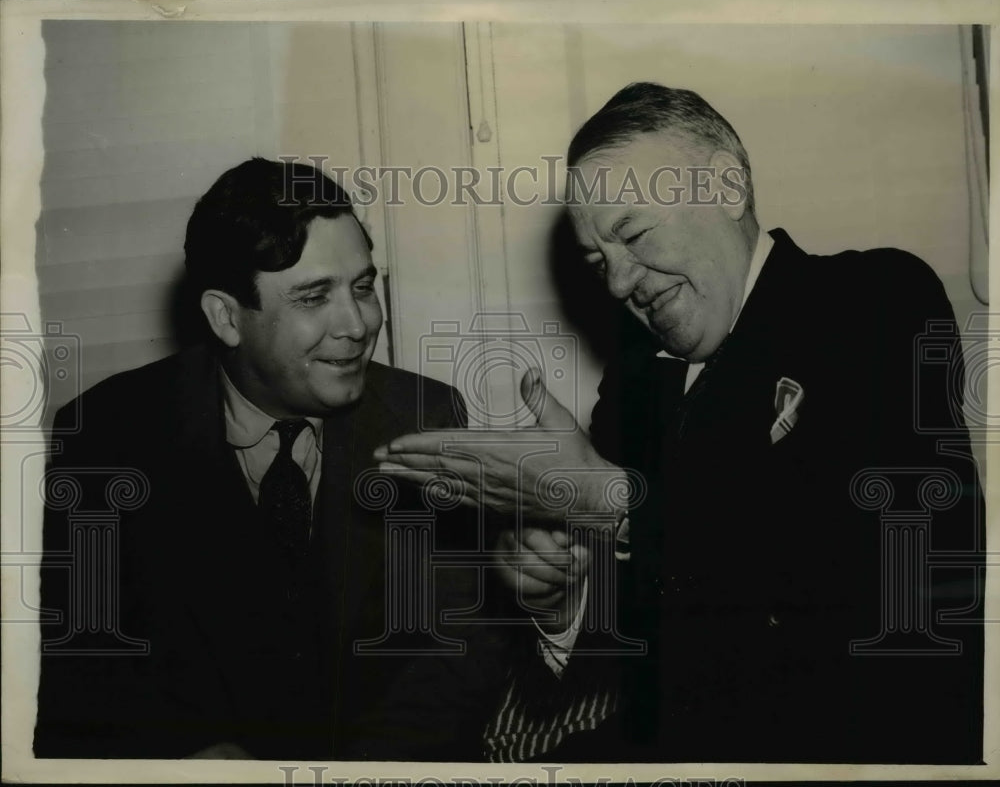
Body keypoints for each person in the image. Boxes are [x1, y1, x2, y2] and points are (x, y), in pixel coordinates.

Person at [374, 83, 985, 763]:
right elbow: (644, 644)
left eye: (633, 234)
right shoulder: (637, 382)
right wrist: (564, 597)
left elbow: (849, 576)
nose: (616, 282)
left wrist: (613, 504)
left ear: (727, 185)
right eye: (598, 260)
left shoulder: (874, 300)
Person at [33, 158, 505, 761]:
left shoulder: (425, 414)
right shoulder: (108, 433)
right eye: (314, 297)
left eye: (363, 287)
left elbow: (458, 647)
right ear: (226, 317)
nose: (358, 324)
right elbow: (79, 661)